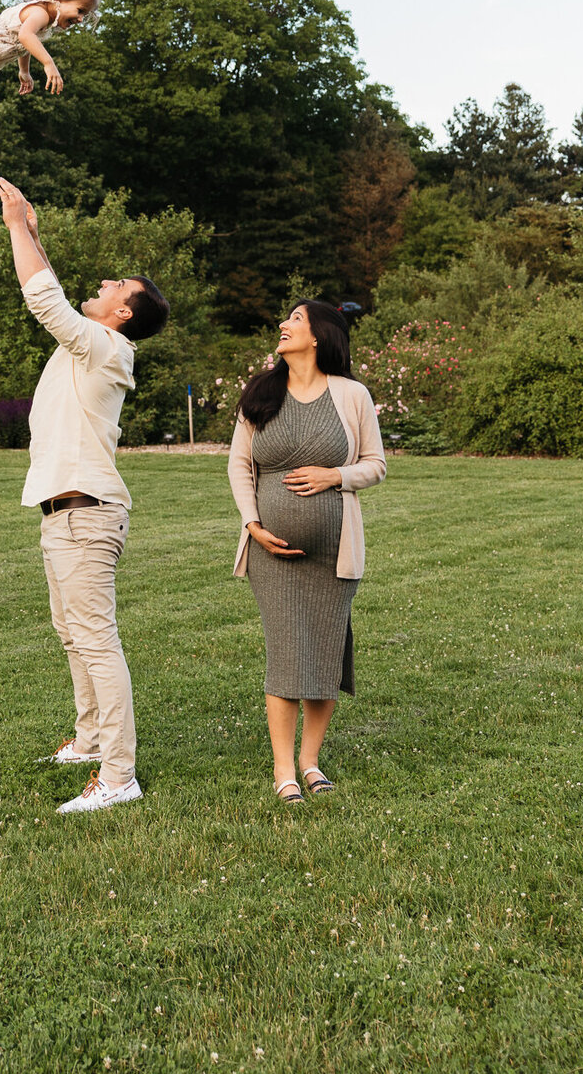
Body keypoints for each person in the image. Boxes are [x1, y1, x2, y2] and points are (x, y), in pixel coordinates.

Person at [0, 176, 170, 814]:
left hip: (87, 516)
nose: (103, 283)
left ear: (124, 312)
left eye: (116, 287)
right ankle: (92, 739)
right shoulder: (91, 343)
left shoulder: (107, 347)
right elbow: (57, 292)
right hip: (63, 514)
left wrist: (18, 227)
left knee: (96, 639)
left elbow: (45, 300)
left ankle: (119, 775)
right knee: (72, 633)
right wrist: (32, 232)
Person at [227, 300, 385, 806]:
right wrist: (253, 524)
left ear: (318, 334)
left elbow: (376, 464)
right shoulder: (261, 393)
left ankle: (310, 762)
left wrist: (335, 476)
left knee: (322, 653)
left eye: (295, 319)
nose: (283, 325)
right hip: (270, 553)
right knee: (286, 652)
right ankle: (283, 770)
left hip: (334, 553)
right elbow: (238, 466)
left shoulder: (351, 395)